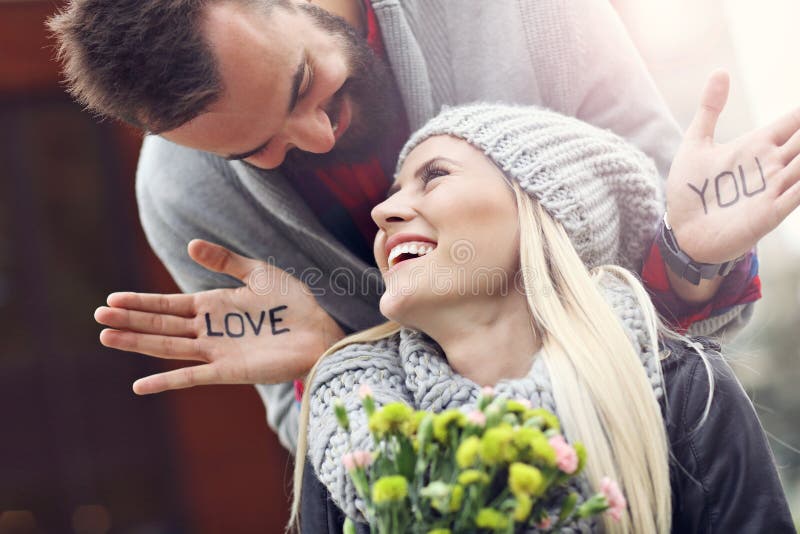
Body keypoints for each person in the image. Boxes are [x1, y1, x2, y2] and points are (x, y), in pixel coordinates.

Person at [49, 0, 795, 452]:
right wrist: (329, 366)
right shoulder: (184, 200)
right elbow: (329, 446)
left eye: (302, 85)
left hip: (663, 448)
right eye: (258, 150)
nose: (312, 137)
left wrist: (690, 256)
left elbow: (697, 294)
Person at [292, 103, 796, 533]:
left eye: (435, 176)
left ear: (542, 211)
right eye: (394, 190)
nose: (384, 211)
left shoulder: (682, 391)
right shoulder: (352, 428)